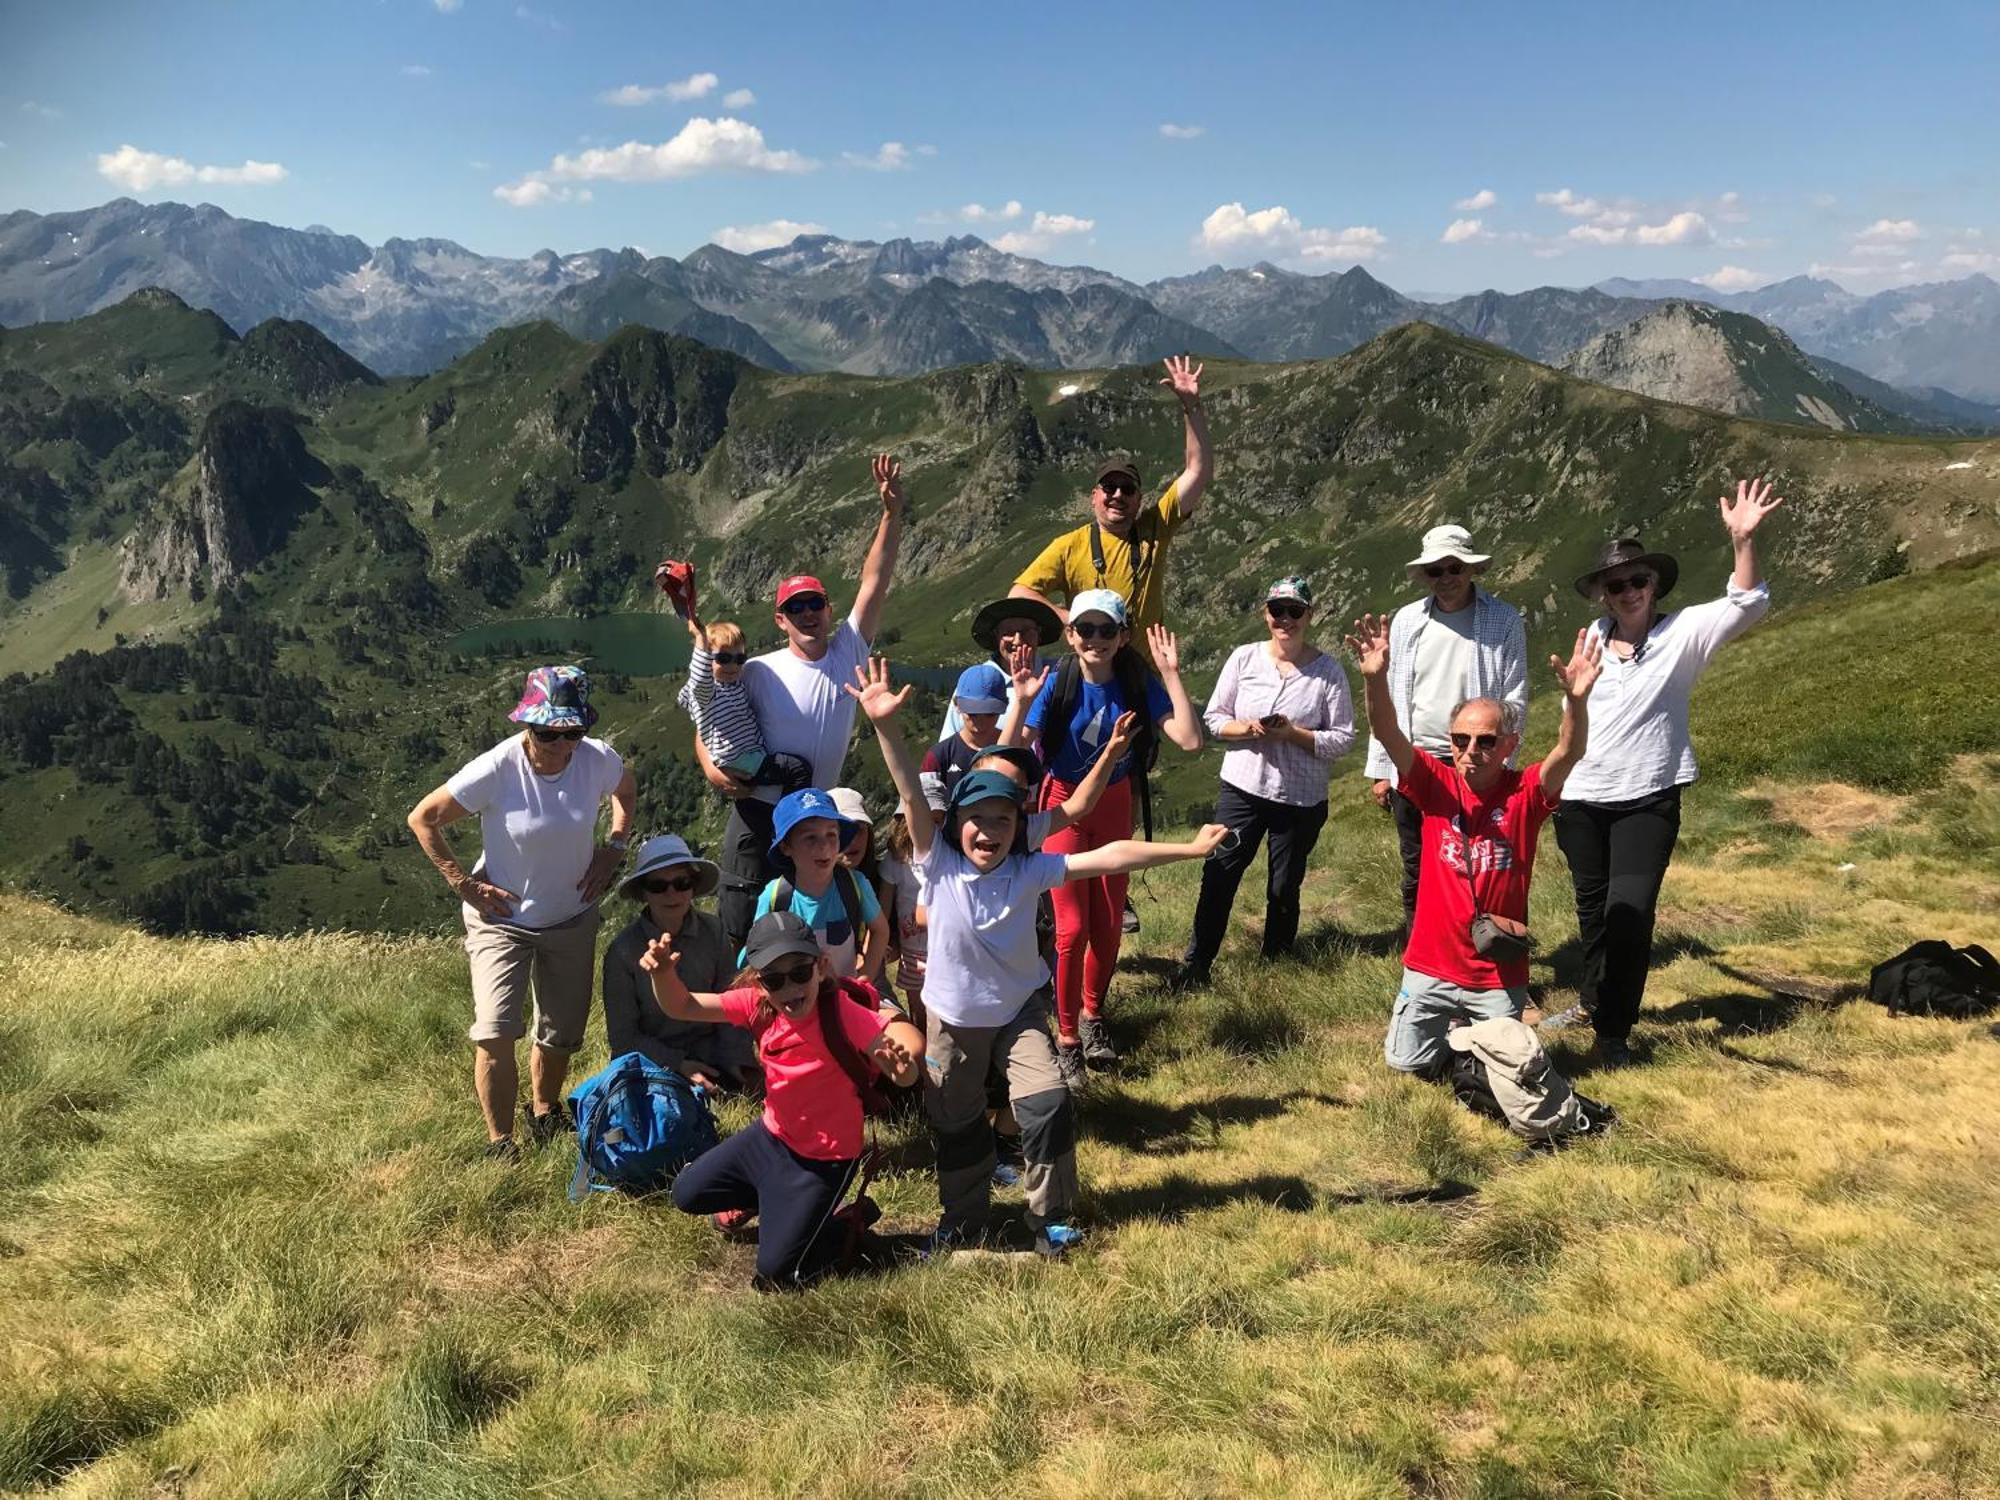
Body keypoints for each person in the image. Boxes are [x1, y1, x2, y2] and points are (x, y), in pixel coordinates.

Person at [846, 656, 1227, 1255]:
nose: (987, 832)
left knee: (1047, 1100)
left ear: (1018, 827)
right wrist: (886, 728)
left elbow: (1110, 855)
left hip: (1020, 1010)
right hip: (951, 1020)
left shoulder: (1028, 867)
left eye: (1002, 819)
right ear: (957, 823)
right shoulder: (937, 861)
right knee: (956, 1121)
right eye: (975, 819)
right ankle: (964, 1217)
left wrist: (1187, 850)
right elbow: (908, 795)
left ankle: (1047, 1217)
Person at [1548, 478, 1782, 1066]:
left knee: (1630, 914)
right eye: (1616, 584)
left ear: (1654, 586)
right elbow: (1570, 728)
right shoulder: (1590, 647)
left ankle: (1613, 1032)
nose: (1627, 592)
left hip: (1646, 799)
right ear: (1603, 595)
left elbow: (1746, 603)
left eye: (1637, 581)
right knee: (1594, 916)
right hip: (1580, 800)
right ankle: (1592, 1001)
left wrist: (1743, 541)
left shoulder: (1683, 634)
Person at [1346, 614, 1603, 1078]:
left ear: (1509, 744)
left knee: (1515, 1073)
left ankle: (1477, 1051)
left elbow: (1569, 751)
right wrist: (1376, 678)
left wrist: (1575, 701)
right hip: (1430, 965)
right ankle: (1464, 1049)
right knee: (1404, 1063)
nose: (1470, 750)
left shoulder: (1525, 792)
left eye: (1486, 741)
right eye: (1460, 739)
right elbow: (1387, 732)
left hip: (1495, 971)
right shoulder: (1434, 783)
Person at [406, 665, 638, 1158]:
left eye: (572, 732)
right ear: (526, 726)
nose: (560, 744)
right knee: (495, 1031)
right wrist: (462, 883)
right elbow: (423, 818)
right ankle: (501, 1143)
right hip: (501, 920)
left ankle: (543, 1110)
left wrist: (615, 847)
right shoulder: (497, 768)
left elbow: (626, 791)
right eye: (547, 733)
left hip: (571, 917)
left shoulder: (596, 760)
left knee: (561, 1032)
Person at [645, 910, 924, 1289]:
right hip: (771, 1138)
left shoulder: (842, 1013)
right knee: (686, 1193)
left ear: (821, 968)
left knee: (777, 1274)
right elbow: (685, 1006)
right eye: (775, 980)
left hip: (826, 1161)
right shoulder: (757, 1006)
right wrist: (663, 975)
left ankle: (844, 1222)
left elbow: (903, 1075)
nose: (790, 989)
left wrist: (902, 1067)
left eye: (799, 973)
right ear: (760, 985)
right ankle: (771, 1198)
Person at [693, 454, 905, 952]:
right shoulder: (759, 669)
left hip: (813, 815)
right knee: (743, 918)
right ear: (781, 619)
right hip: (757, 811)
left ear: (829, 609)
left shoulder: (849, 649)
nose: (808, 614)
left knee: (809, 926)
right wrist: (710, 769)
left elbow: (875, 582)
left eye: (815, 604)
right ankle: (743, 1020)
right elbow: (705, 713)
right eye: (796, 608)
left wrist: (892, 515)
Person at [1004, 591, 1203, 1080]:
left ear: (1123, 637)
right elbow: (1007, 756)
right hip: (1062, 805)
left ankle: (1094, 1016)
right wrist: (1022, 701)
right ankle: (1068, 1036)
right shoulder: (1056, 683)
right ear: (1071, 635)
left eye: (1106, 631)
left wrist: (1171, 674)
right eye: (1085, 630)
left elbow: (1190, 739)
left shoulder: (1137, 682)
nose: (1095, 640)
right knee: (1072, 930)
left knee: (1110, 924)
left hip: (1114, 803)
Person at [1181, 576, 1355, 985]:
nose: (1286, 620)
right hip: (1243, 789)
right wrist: (1251, 729)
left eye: (1295, 612)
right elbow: (1215, 720)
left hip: (1300, 798)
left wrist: (1292, 734)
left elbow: (1343, 738)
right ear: (1266, 614)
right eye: (1278, 611)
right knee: (1219, 873)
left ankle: (1274, 967)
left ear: (1309, 616)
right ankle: (1196, 965)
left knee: (1284, 885)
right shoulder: (1244, 659)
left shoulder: (1329, 671)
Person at [1361, 525, 1528, 933]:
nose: (1446, 577)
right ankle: (1421, 949)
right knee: (1417, 860)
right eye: (1436, 570)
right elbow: (1392, 691)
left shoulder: (1503, 619)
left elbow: (1516, 695)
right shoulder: (1405, 621)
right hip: (1414, 759)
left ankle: (1481, 944)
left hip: (1475, 759)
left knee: (1477, 859)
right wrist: (1383, 769)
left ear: (1470, 569)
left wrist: (1499, 761)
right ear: (1426, 575)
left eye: (1454, 567)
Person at [1009, 356, 1212, 656]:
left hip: (1144, 673)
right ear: (1094, 496)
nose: (1118, 494)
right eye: (1109, 487)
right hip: (1094, 670)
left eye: (1128, 489)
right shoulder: (1068, 546)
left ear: (1139, 499)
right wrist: (1072, 619)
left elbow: (1197, 470)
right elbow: (1019, 593)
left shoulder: (1154, 528)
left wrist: (1191, 407)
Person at [601, 833, 760, 1094]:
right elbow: (623, 1038)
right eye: (658, 886)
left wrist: (736, 1060)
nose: (671, 893)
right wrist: (678, 1065)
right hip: (653, 1062)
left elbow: (731, 1000)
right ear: (644, 892)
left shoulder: (715, 931)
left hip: (713, 1052)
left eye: (681, 882)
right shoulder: (622, 951)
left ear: (693, 886)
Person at [752, 788, 890, 988]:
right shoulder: (775, 896)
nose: (824, 846)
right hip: (797, 1005)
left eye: (832, 835)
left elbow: (880, 931)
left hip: (846, 999)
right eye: (810, 838)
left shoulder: (854, 885)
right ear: (786, 847)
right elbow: (756, 953)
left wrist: (865, 979)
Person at [675, 605, 812, 796]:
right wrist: (700, 639)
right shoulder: (707, 693)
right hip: (743, 761)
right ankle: (798, 815)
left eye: (740, 659)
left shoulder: (734, 685)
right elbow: (699, 679)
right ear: (707, 660)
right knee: (798, 769)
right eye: (723, 658)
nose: (732, 665)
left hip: (748, 759)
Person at [938, 596, 1064, 740]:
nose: (1017, 640)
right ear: (996, 636)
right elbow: (950, 747)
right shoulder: (973, 685)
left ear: (1039, 634)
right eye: (1008, 632)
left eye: (1027, 631)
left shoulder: (1061, 675)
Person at [921, 662, 1012, 815]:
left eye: (990, 713)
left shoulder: (1017, 753)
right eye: (973, 713)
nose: (980, 724)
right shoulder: (939, 756)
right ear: (956, 706)